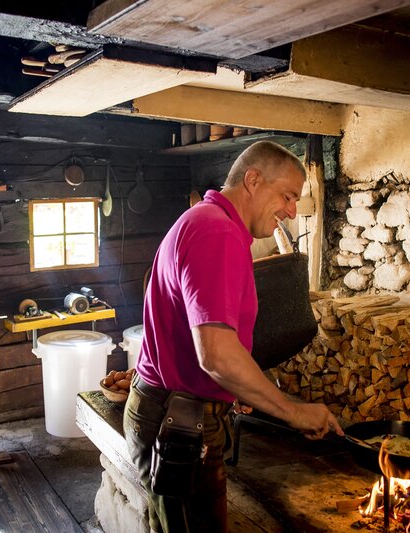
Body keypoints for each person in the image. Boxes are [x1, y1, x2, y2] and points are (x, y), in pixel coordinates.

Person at [124, 141, 344, 532]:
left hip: (175, 410)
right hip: (179, 421)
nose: (292, 211)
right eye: (288, 196)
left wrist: (233, 392)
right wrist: (293, 411)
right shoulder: (216, 232)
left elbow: (210, 351)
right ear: (253, 180)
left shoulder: (208, 222)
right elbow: (217, 356)